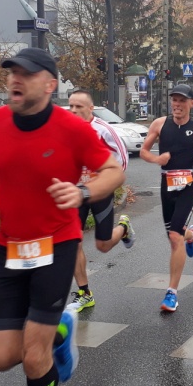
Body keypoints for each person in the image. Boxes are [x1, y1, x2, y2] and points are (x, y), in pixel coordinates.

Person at [0, 48, 124, 386]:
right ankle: (59, 333)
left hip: (57, 245)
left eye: (26, 74)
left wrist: (85, 193)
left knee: (33, 357)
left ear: (50, 84)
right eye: (12, 72)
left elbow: (111, 170)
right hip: (10, 248)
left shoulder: (71, 128)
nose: (15, 79)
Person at [139, 84, 193, 312]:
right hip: (166, 184)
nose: (177, 105)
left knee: (173, 236)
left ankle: (171, 292)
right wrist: (155, 160)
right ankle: (191, 235)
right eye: (174, 100)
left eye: (182, 101)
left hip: (189, 183)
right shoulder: (159, 124)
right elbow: (143, 151)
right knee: (176, 236)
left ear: (192, 103)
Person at [66, 89, 135, 313]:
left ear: (91, 108)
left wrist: (108, 184)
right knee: (72, 243)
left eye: (79, 107)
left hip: (100, 192)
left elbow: (122, 160)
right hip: (75, 193)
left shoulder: (103, 130)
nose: (74, 111)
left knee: (103, 245)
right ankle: (85, 293)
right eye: (71, 106)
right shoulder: (66, 130)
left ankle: (123, 228)